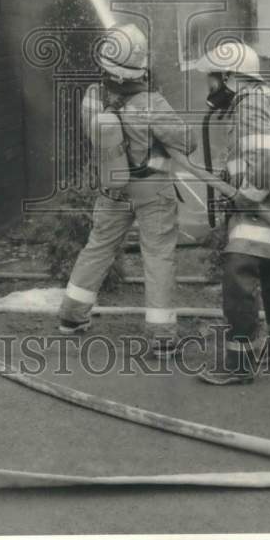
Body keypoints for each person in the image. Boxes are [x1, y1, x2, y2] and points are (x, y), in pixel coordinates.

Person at [58, 23, 197, 356]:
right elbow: (186, 141)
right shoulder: (151, 103)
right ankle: (162, 337)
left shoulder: (93, 97)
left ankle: (71, 317)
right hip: (152, 193)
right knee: (158, 257)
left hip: (112, 189)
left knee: (98, 247)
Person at [192, 42, 270, 385]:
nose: (209, 87)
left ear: (230, 77)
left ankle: (239, 364)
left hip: (259, 212)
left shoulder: (250, 107)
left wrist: (246, 196)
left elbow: (267, 161)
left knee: (238, 283)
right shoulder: (258, 101)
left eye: (212, 79)